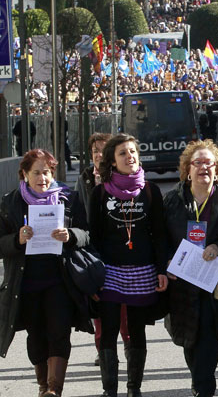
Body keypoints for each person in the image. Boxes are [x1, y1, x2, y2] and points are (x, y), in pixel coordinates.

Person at [0, 149, 92, 397]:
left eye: (47, 173)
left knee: (59, 331)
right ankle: (42, 386)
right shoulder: (10, 202)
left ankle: (54, 389)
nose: (43, 178)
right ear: (25, 174)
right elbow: (1, 244)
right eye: (37, 173)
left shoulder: (68, 199)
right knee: (37, 336)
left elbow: (87, 235)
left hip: (60, 280)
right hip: (25, 283)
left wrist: (71, 236)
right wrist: (16, 239)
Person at [163, 140, 218, 397]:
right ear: (187, 169)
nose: (203, 168)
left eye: (209, 163)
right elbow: (161, 237)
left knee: (208, 334)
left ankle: (204, 388)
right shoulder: (172, 199)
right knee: (189, 337)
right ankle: (198, 380)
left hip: (215, 277)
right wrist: (167, 260)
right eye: (197, 163)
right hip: (182, 279)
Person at [89, 133, 169, 397]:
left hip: (143, 271)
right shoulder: (99, 193)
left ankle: (134, 388)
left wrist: (161, 269)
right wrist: (94, 275)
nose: (129, 157)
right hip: (109, 272)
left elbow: (160, 234)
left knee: (136, 331)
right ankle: (109, 390)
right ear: (112, 161)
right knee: (109, 331)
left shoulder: (150, 191)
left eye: (133, 151)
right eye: (123, 153)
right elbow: (93, 236)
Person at [74, 133, 130, 367]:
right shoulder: (85, 179)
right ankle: (104, 349)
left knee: (125, 307)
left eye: (102, 149)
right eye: (94, 150)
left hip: (120, 251)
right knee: (99, 303)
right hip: (93, 251)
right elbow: (78, 213)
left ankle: (128, 343)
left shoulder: (122, 178)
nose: (98, 154)